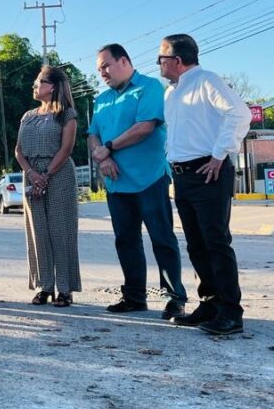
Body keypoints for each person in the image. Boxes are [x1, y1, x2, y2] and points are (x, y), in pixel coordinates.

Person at [158, 33, 251, 336]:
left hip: (208, 171)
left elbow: (240, 113)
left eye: (161, 58)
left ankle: (231, 312)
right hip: (183, 175)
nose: (159, 64)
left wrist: (219, 154)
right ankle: (209, 304)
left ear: (177, 60)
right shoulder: (171, 93)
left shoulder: (207, 81)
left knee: (215, 241)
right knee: (196, 244)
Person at [89, 44, 188, 319]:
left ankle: (174, 298)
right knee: (125, 240)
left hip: (149, 179)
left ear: (123, 61)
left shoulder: (149, 87)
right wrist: (103, 158)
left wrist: (109, 147)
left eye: (106, 66)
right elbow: (92, 135)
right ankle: (134, 297)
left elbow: (144, 127)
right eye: (99, 69)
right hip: (116, 182)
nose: (102, 73)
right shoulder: (102, 99)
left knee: (162, 239)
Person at [14, 66, 80, 307]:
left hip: (59, 174)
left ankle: (65, 288)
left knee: (61, 232)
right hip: (31, 175)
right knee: (37, 232)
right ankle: (44, 286)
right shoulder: (27, 116)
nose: (35, 85)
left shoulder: (67, 114)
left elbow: (66, 149)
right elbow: (18, 151)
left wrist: (46, 175)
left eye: (39, 82)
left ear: (52, 87)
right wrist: (32, 174)